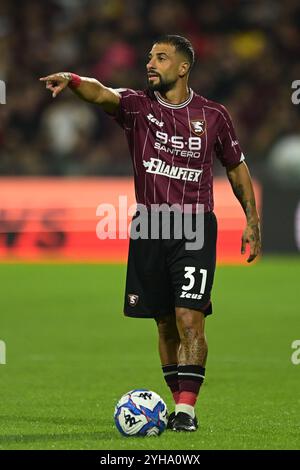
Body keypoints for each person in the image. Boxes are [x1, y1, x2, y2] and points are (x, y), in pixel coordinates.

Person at [40, 35, 261, 432]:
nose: (150, 63)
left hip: (194, 227)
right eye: (149, 57)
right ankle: (178, 404)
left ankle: (187, 413)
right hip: (149, 226)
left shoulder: (213, 115)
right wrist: (73, 79)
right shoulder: (137, 106)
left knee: (189, 319)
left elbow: (236, 165)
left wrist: (252, 220)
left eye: (161, 57)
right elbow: (100, 92)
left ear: (183, 67)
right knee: (163, 323)